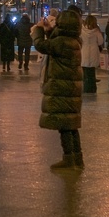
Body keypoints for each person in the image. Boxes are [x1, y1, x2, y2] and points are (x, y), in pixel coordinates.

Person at [36, 9, 84, 170]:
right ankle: (78, 158)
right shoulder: (73, 40)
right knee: (71, 125)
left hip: (62, 88)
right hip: (70, 88)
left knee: (64, 126)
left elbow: (41, 46)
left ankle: (69, 159)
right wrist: (50, 31)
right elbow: (54, 46)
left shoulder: (62, 42)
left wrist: (38, 30)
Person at [80, 14, 104, 94]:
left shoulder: (81, 30)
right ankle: (92, 88)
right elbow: (100, 41)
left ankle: (85, 87)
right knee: (92, 72)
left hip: (84, 51)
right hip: (93, 51)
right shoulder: (96, 31)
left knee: (85, 71)